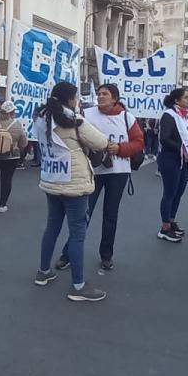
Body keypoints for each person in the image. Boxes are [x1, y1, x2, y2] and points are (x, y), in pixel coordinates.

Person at [32, 81, 110, 302]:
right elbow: (101, 142)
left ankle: (43, 271)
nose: (78, 101)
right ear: (69, 99)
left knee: (52, 227)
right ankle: (78, 286)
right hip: (74, 183)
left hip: (51, 179)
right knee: (77, 233)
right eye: (76, 97)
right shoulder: (73, 120)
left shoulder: (41, 118)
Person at [56, 84, 143, 272]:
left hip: (118, 172)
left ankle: (106, 255)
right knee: (83, 214)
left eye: (105, 94)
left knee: (111, 215)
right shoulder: (86, 114)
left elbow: (138, 142)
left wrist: (119, 149)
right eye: (100, 93)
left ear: (115, 98)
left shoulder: (128, 118)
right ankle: (68, 253)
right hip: (93, 171)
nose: (100, 96)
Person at [156, 88, 188, 243]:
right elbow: (164, 138)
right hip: (171, 160)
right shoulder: (169, 115)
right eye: (186, 98)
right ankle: (164, 228)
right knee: (169, 193)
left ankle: (171, 220)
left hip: (184, 160)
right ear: (176, 101)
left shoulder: (186, 115)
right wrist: (182, 146)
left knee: (179, 192)